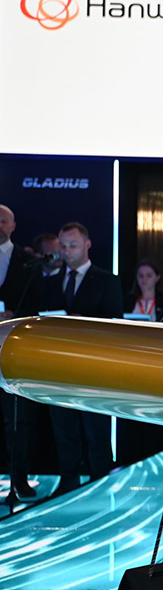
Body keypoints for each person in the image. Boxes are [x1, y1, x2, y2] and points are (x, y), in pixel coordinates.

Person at [39, 222, 123, 495]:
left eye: (72, 245)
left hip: (93, 366)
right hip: (58, 366)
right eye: (63, 246)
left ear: (87, 245)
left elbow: (115, 323)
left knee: (96, 430)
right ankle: (68, 480)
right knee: (64, 428)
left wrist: (81, 321)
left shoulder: (107, 280)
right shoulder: (50, 282)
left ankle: (100, 482)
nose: (66, 251)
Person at [0, 205, 42, 501]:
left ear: (13, 225)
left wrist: (15, 316)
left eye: (3, 220)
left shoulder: (28, 262)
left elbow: (37, 304)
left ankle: (19, 479)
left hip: (12, 349)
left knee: (16, 419)